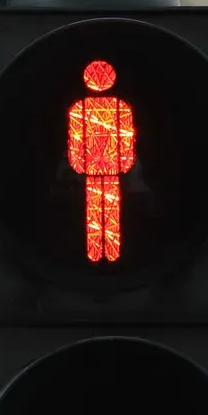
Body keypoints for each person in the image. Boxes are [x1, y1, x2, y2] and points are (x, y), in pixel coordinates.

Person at [66, 59, 136, 263]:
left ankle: (107, 253)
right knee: (97, 212)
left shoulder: (117, 107)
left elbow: (126, 138)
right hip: (102, 167)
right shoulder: (83, 108)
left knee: (105, 212)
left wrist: (124, 162)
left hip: (102, 167)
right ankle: (100, 253)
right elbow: (76, 137)